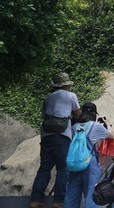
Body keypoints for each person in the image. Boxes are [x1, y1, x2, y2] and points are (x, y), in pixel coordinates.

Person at [31, 72, 82, 208]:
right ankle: (58, 201)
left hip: (46, 136)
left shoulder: (48, 98)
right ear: (66, 85)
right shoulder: (71, 96)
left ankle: (36, 199)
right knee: (62, 169)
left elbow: (44, 116)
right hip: (62, 136)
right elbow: (79, 115)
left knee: (44, 168)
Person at [63, 103, 114, 208]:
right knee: (91, 196)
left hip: (74, 164)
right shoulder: (95, 126)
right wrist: (108, 124)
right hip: (89, 163)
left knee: (71, 196)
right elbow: (111, 136)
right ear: (94, 114)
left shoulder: (74, 127)